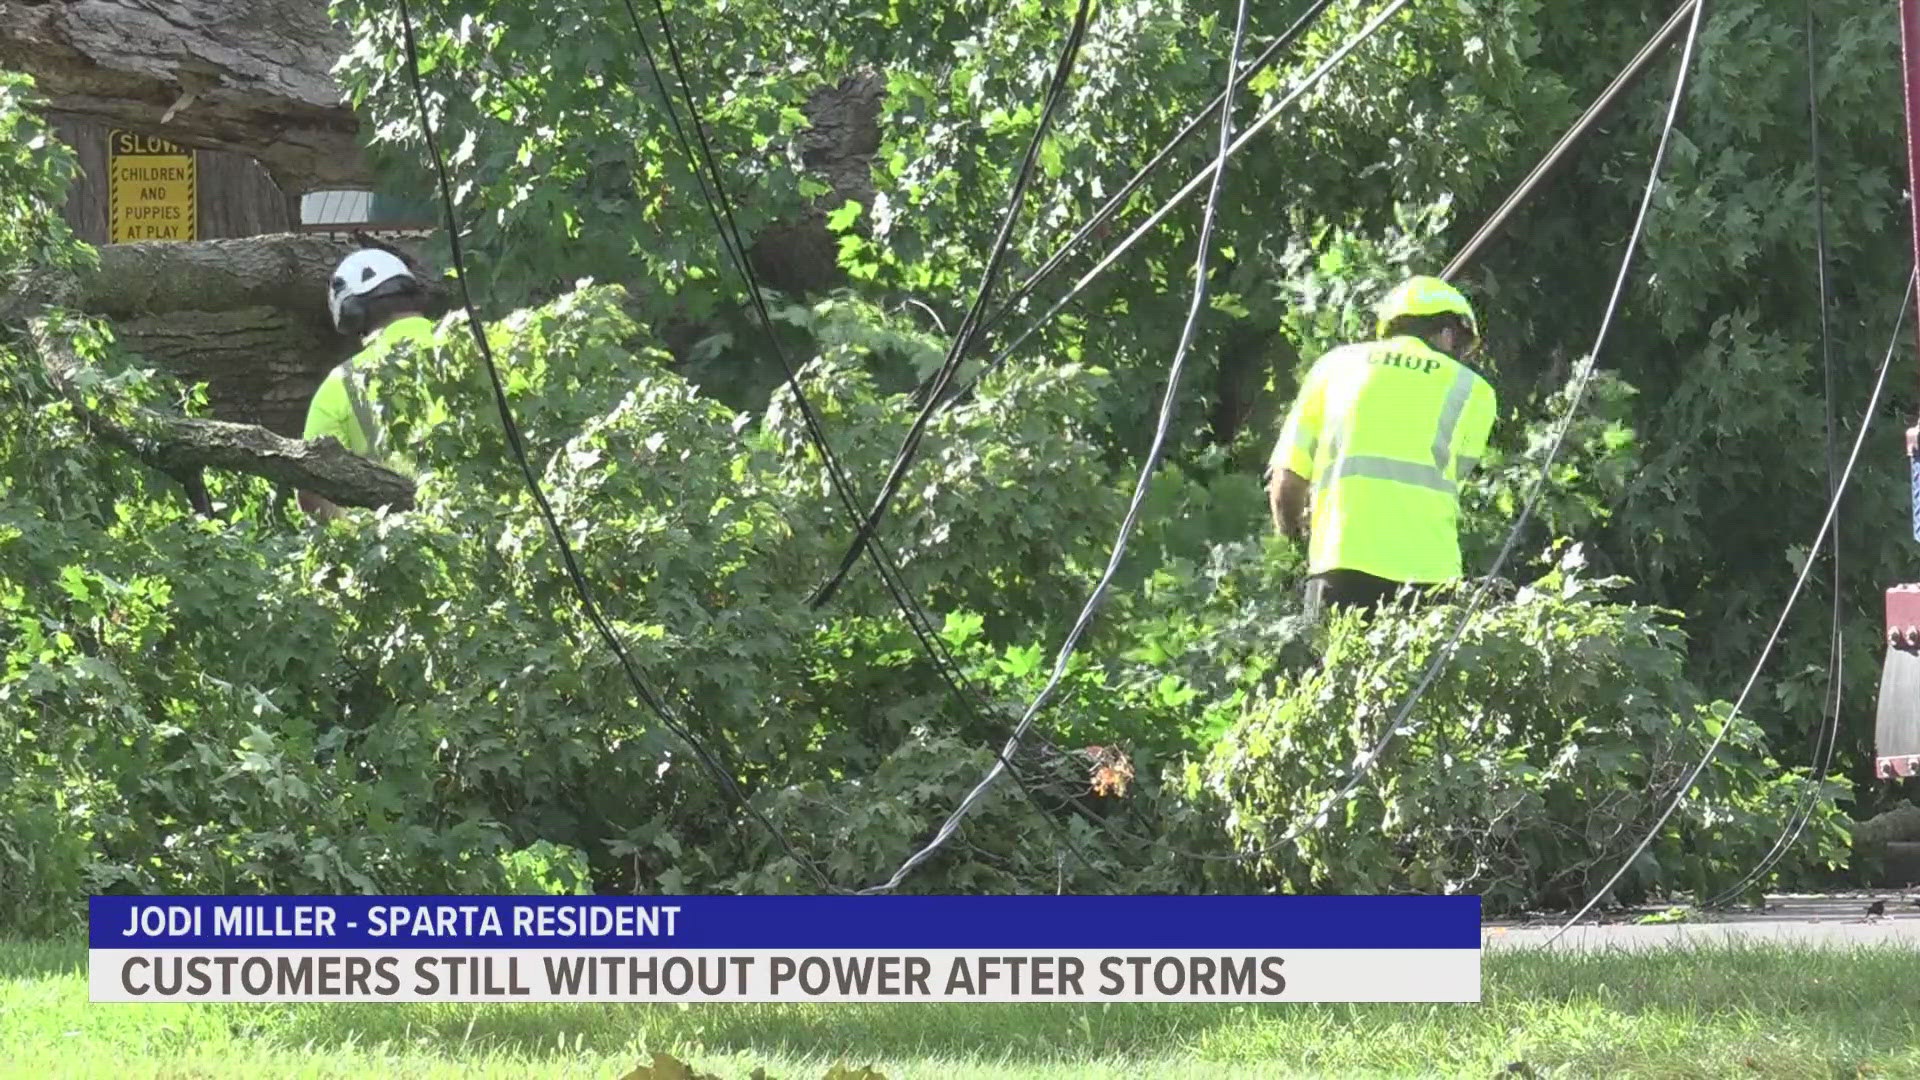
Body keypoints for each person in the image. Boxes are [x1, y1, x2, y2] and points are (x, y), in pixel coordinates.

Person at [1266, 275, 1497, 622]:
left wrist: (1293, 536)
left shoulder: (1333, 367)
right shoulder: (1475, 390)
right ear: (1448, 333)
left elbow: (1287, 479)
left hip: (1340, 564)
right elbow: (1455, 475)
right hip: (1431, 576)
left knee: (1334, 674)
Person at [299, 248, 434, 522]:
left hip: (396, 552)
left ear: (351, 313)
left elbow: (312, 489)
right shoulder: (481, 350)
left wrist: (355, 535)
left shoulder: (340, 385)